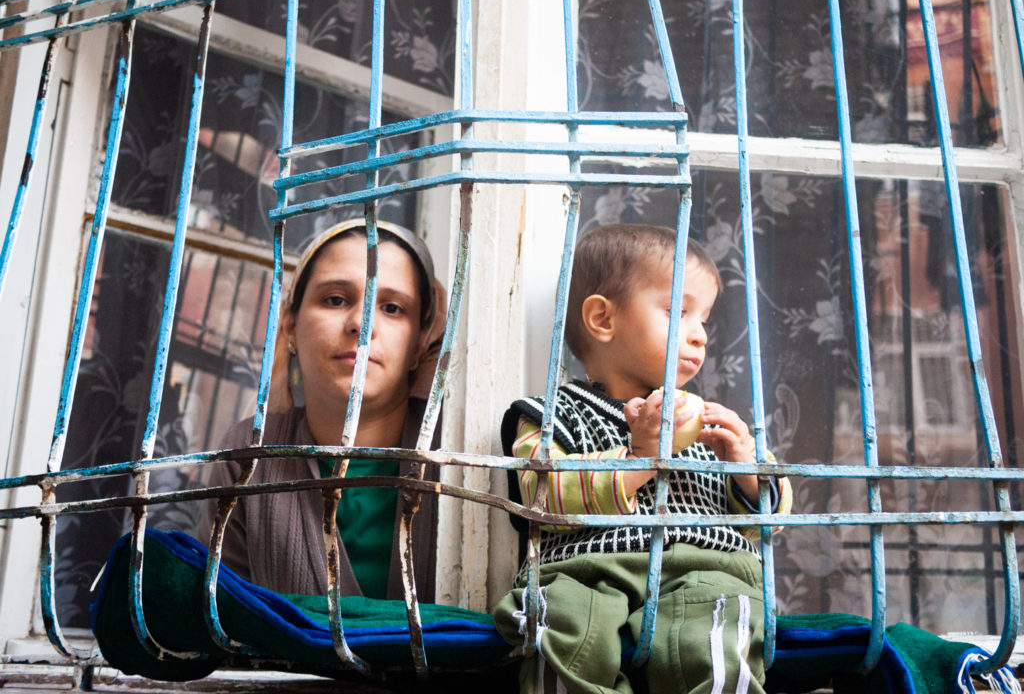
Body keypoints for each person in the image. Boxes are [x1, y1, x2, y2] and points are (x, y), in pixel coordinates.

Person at [493, 224, 792, 694]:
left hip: (706, 568)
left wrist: (746, 466)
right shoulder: (552, 415)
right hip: (585, 572)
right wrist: (640, 457)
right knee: (558, 625)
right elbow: (541, 495)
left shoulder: (712, 424)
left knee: (720, 637)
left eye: (705, 320)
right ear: (602, 319)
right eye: (679, 312)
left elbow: (767, 522)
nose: (699, 337)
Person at [200, 218, 446, 601]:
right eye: (335, 299)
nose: (362, 325)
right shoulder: (249, 457)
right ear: (290, 324)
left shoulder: (454, 452)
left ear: (419, 342)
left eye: (393, 308)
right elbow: (222, 619)